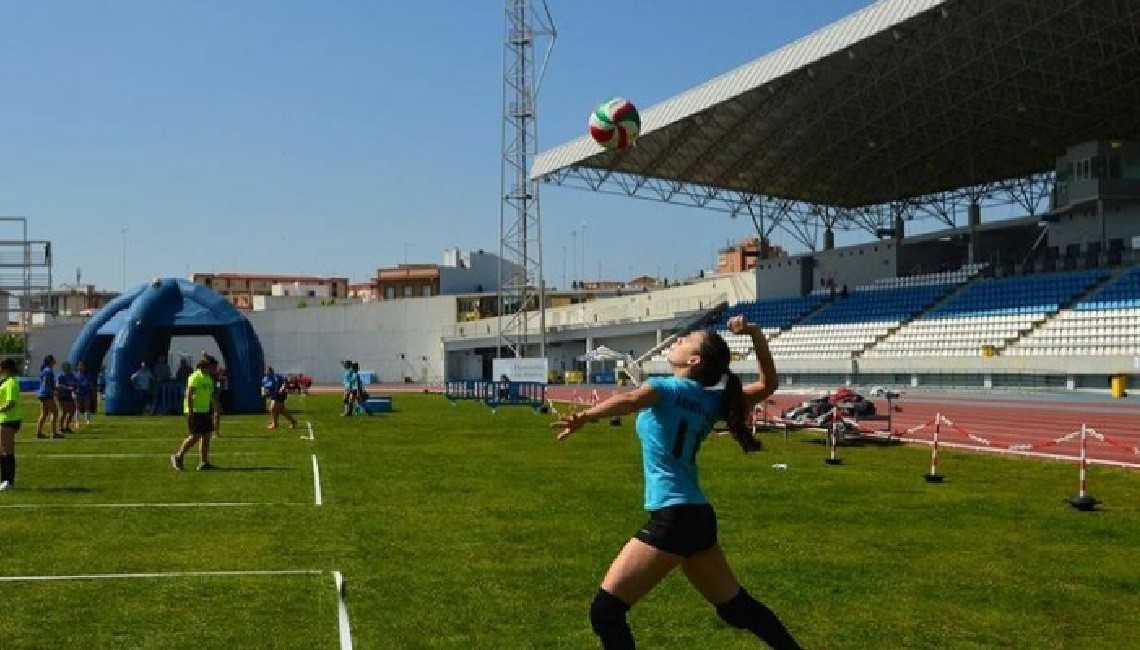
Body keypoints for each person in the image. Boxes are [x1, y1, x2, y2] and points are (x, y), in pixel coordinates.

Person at [552, 315, 808, 650]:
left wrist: (585, 416)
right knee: (736, 609)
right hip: (696, 516)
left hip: (674, 518)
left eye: (687, 340)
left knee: (606, 612)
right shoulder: (714, 400)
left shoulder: (664, 387)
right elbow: (769, 383)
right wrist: (756, 334)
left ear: (694, 360)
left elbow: (629, 401)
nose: (678, 340)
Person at [171, 357, 221, 471]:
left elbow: (212, 395)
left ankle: (204, 462)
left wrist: (216, 406)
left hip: (205, 410)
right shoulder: (195, 377)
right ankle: (178, 456)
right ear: (207, 366)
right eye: (213, 367)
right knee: (195, 435)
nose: (215, 369)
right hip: (195, 411)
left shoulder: (209, 378)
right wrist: (190, 410)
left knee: (207, 435)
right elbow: (189, 394)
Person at [0, 358, 24, 491]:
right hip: (6, 419)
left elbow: (10, 402)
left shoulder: (11, 383)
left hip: (9, 419)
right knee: (4, 450)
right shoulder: (7, 381)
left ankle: (7, 481)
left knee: (6, 451)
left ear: (6, 368)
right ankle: (5, 480)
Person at [34, 355, 61, 439]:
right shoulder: (49, 371)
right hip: (47, 394)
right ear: (51, 361)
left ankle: (39, 432)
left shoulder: (44, 370)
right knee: (55, 412)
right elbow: (47, 383)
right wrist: (54, 390)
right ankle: (54, 433)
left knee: (44, 414)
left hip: (42, 394)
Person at [55, 362, 78, 434]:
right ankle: (60, 428)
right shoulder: (60, 376)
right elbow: (58, 385)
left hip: (69, 396)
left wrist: (75, 388)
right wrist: (67, 388)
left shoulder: (72, 375)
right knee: (63, 412)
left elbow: (75, 383)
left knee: (72, 411)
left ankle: (67, 426)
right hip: (62, 395)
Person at [75, 361, 94, 426]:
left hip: (86, 392)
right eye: (80, 365)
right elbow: (74, 384)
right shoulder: (76, 375)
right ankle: (77, 421)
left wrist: (92, 391)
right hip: (79, 392)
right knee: (77, 407)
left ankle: (88, 420)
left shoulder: (88, 375)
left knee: (87, 406)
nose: (81, 367)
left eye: (82, 365)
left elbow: (90, 384)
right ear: (78, 367)